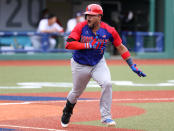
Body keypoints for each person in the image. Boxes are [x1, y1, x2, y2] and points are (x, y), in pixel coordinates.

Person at [60, 4, 146, 128]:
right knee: (76, 92)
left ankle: (106, 117)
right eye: (87, 15)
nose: (88, 18)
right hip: (80, 64)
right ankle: (67, 110)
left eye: (92, 15)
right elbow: (69, 44)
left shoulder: (109, 30)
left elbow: (121, 47)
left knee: (107, 83)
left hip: (98, 63)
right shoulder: (81, 27)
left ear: (99, 17)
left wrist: (131, 65)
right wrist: (88, 45)